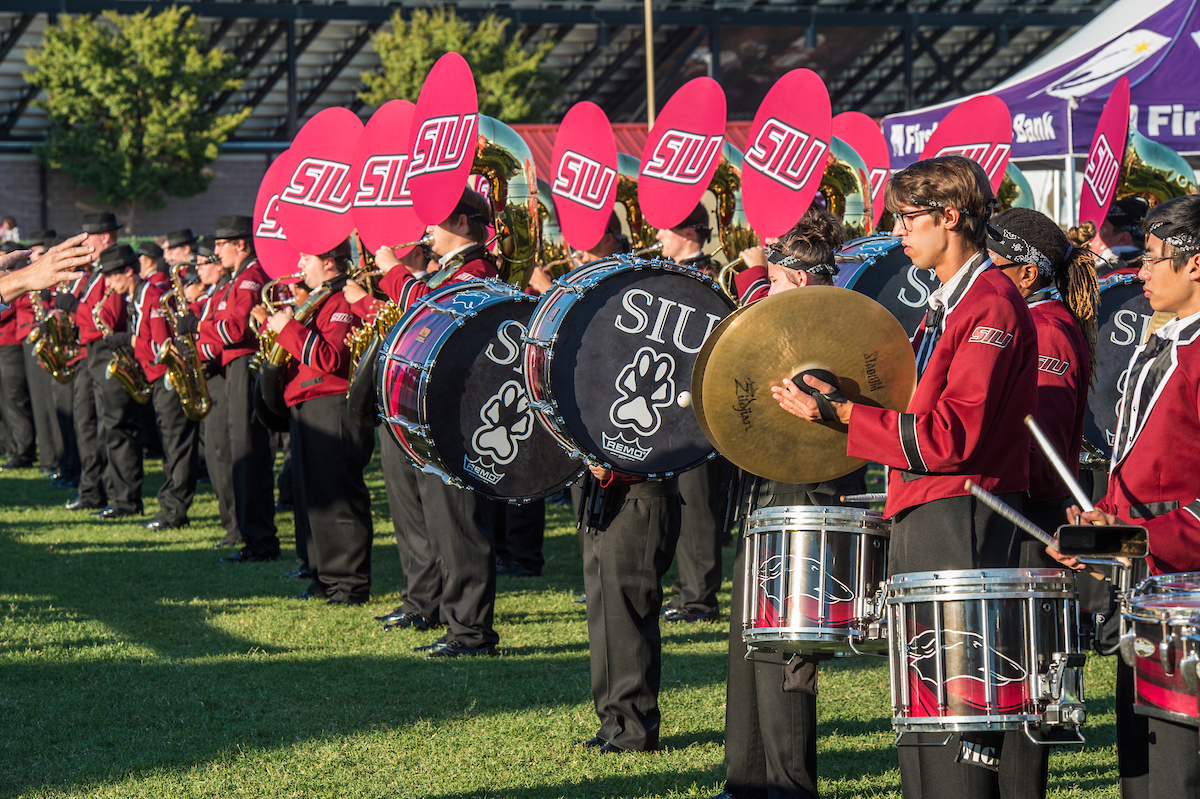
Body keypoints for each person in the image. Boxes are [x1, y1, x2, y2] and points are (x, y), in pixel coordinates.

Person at [775, 156, 1038, 797]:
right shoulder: (948, 303)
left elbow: (950, 437)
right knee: (921, 721)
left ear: (951, 218)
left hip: (964, 519)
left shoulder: (991, 306)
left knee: (955, 724)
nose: (897, 233)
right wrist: (846, 394)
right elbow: (919, 411)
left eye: (908, 218)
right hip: (929, 511)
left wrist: (841, 414)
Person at [712, 208, 866, 799]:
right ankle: (746, 778)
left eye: (775, 279)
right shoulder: (792, 316)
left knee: (786, 647)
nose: (767, 290)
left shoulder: (829, 326)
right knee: (749, 638)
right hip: (766, 487)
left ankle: (790, 785)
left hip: (807, 493)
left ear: (800, 281)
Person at [1060, 194, 1200, 798]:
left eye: (1151, 258)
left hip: (1188, 600)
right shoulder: (1158, 344)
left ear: (1195, 263)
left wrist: (1134, 539)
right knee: (1138, 775)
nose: (1137, 271)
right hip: (1143, 590)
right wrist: (1103, 524)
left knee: (1177, 774)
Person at [346, 188, 501, 657]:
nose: (427, 229)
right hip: (427, 407)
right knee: (435, 517)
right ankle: (437, 607)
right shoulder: (450, 268)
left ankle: (471, 630)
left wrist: (393, 270)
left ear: (461, 222)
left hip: (456, 412)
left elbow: (429, 305)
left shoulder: (477, 269)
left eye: (435, 220)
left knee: (459, 524)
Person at [986, 207, 1098, 799]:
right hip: (1026, 515)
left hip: (1035, 522)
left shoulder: (1048, 330)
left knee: (1026, 682)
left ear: (1026, 274)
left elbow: (1045, 447)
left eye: (994, 264)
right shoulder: (1038, 320)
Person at [257, 240, 374, 605]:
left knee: (337, 498)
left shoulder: (342, 300)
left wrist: (288, 328)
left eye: (305, 256)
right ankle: (325, 578)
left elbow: (330, 358)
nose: (299, 262)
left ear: (328, 262)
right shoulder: (320, 298)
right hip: (307, 405)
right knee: (314, 501)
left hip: (332, 405)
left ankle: (349, 584)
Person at [177, 215, 279, 562]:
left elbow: (236, 329)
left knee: (249, 453)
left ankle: (261, 540)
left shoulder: (250, 278)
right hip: (231, 368)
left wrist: (198, 326)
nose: (215, 251)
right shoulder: (237, 278)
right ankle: (249, 534)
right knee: (239, 453)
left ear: (240, 245)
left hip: (244, 367)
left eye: (221, 245)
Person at [656, 202, 732, 624]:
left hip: (698, 406)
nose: (658, 237)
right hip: (671, 401)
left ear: (686, 230)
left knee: (697, 505)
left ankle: (700, 598)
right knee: (681, 503)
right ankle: (686, 591)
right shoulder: (678, 275)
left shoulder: (710, 278)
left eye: (665, 229)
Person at [575, 463, 681, 753]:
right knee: (604, 616)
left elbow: (675, 436)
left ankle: (634, 731)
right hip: (602, 496)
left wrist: (620, 473)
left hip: (641, 494)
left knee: (628, 619)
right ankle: (613, 723)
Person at [108, 247, 200, 532]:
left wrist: (129, 341)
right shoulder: (134, 296)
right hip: (154, 378)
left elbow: (162, 348)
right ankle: (171, 507)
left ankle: (174, 511)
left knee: (176, 447)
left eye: (112, 276)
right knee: (170, 445)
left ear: (128, 271)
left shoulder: (151, 296)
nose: (109, 285)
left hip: (168, 378)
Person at [60, 214, 122, 514]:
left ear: (106, 238)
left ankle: (117, 495)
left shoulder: (113, 269)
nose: (85, 244)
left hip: (103, 350)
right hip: (86, 352)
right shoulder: (93, 272)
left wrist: (74, 308)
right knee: (84, 424)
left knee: (108, 426)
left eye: (89, 238)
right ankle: (91, 491)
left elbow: (103, 316)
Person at [84, 243, 146, 519]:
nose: (108, 283)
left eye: (111, 276)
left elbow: (114, 319)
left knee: (120, 429)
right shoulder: (121, 290)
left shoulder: (132, 294)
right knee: (110, 429)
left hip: (123, 357)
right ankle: (117, 495)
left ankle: (127, 500)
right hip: (110, 356)